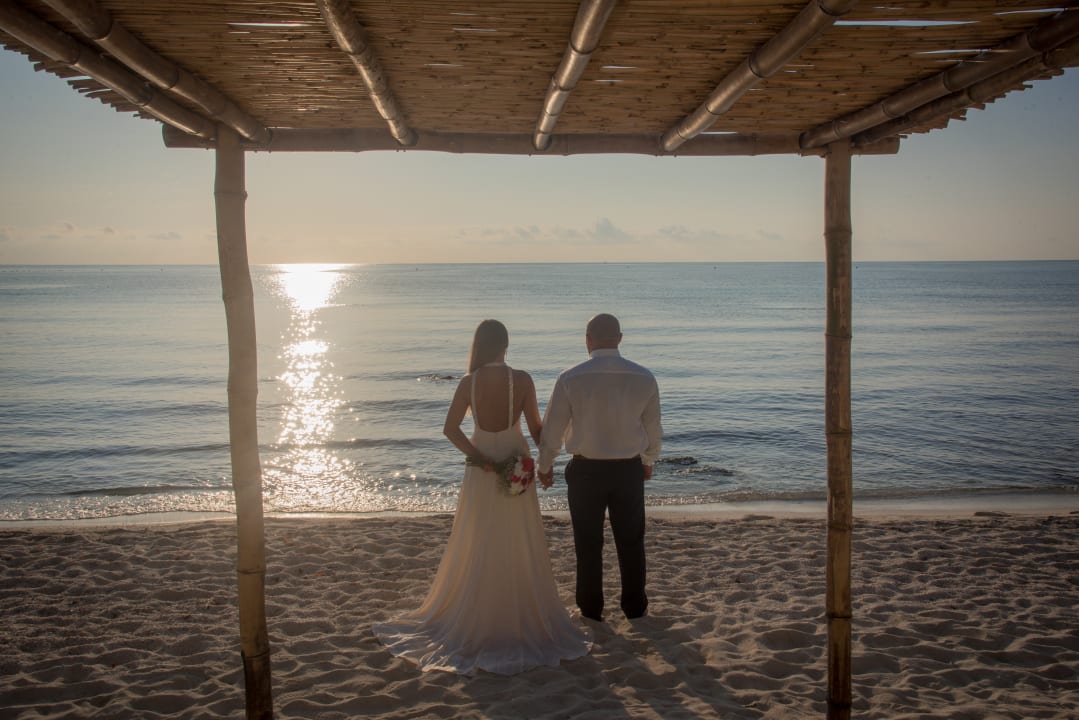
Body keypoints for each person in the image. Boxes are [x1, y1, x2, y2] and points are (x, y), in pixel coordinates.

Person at [373, 319, 591, 675]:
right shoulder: (522, 379)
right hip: (516, 460)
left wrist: (479, 457)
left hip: (481, 466)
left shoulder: (467, 383)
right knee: (518, 535)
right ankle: (516, 604)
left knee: (479, 533)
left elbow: (450, 429)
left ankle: (481, 605)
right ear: (505, 344)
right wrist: (547, 463)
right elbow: (536, 427)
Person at [538, 313, 662, 622]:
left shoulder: (570, 378)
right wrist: (649, 460)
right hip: (627, 470)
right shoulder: (643, 377)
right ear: (620, 338)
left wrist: (545, 465)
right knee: (631, 540)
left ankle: (591, 608)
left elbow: (553, 429)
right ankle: (635, 607)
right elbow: (653, 428)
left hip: (586, 471)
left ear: (587, 339)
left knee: (588, 541)